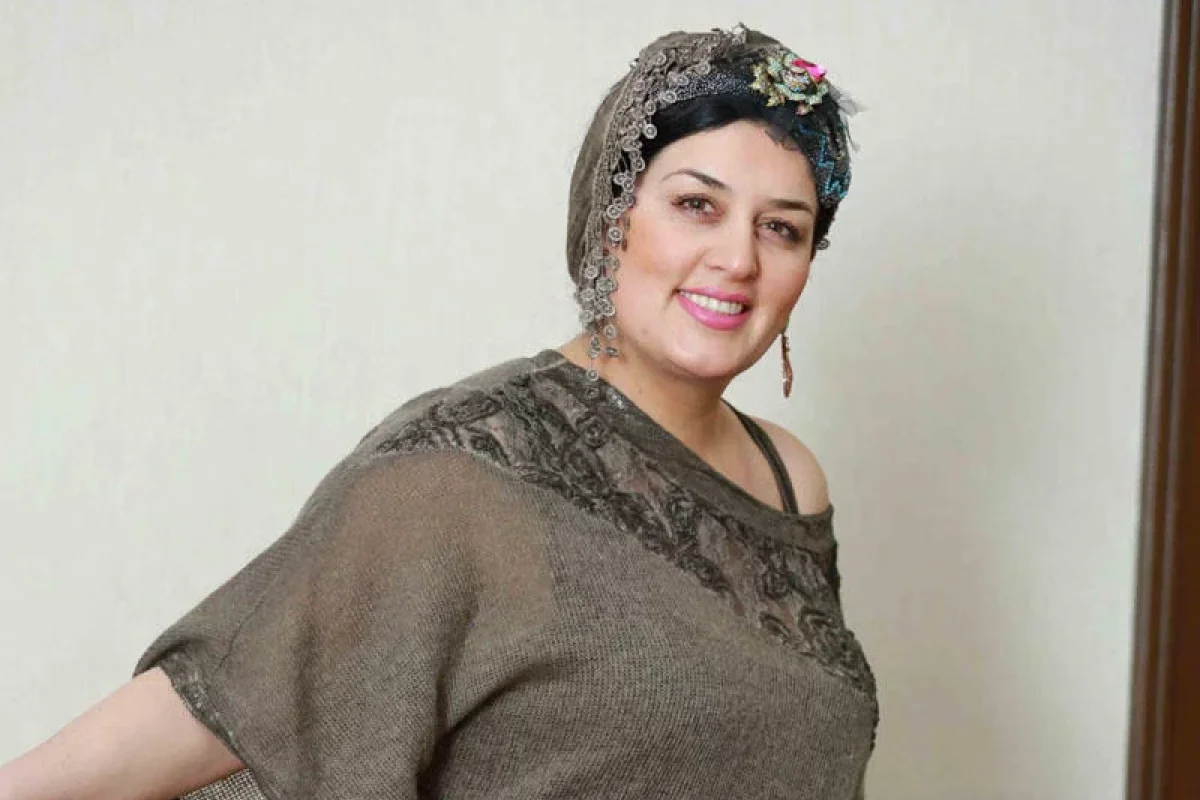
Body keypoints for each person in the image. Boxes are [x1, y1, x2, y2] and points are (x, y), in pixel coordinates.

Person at [0, 23, 877, 800]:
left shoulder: (788, 478)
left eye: (782, 227)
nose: (738, 259)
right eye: (696, 205)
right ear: (611, 215)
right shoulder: (465, 470)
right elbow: (217, 714)